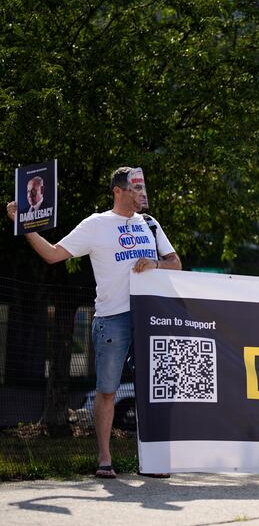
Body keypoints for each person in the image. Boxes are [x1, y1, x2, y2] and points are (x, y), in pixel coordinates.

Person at [6, 166, 181, 479]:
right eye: (135, 189)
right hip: (111, 319)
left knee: (154, 390)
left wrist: (155, 262)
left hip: (148, 317)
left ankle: (155, 459)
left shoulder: (150, 224)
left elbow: (175, 263)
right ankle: (104, 458)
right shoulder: (96, 224)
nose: (141, 194)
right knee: (107, 390)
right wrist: (24, 225)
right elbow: (54, 254)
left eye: (143, 189)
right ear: (118, 190)